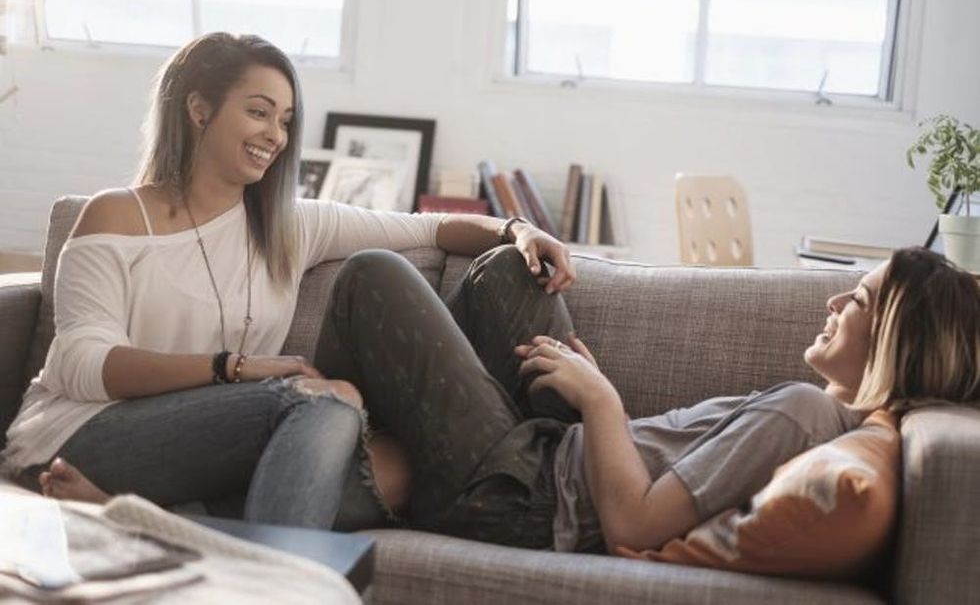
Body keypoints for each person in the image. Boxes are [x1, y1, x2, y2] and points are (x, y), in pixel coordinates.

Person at [37, 247, 980, 556]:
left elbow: (632, 523)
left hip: (532, 492)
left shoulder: (809, 416)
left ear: (894, 341)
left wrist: (602, 401)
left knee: (372, 280)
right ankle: (369, 437)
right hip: (549, 450)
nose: (829, 302)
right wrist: (586, 395)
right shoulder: (826, 415)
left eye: (853, 302)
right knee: (502, 270)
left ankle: (328, 419)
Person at [1, 31, 575, 530]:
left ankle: (158, 521)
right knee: (327, 403)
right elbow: (81, 363)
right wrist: (236, 369)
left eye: (285, 120)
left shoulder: (288, 226)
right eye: (258, 111)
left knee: (399, 469)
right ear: (199, 109)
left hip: (222, 446)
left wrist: (515, 229)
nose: (275, 134)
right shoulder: (118, 215)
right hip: (81, 436)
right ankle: (261, 577)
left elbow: (431, 229)